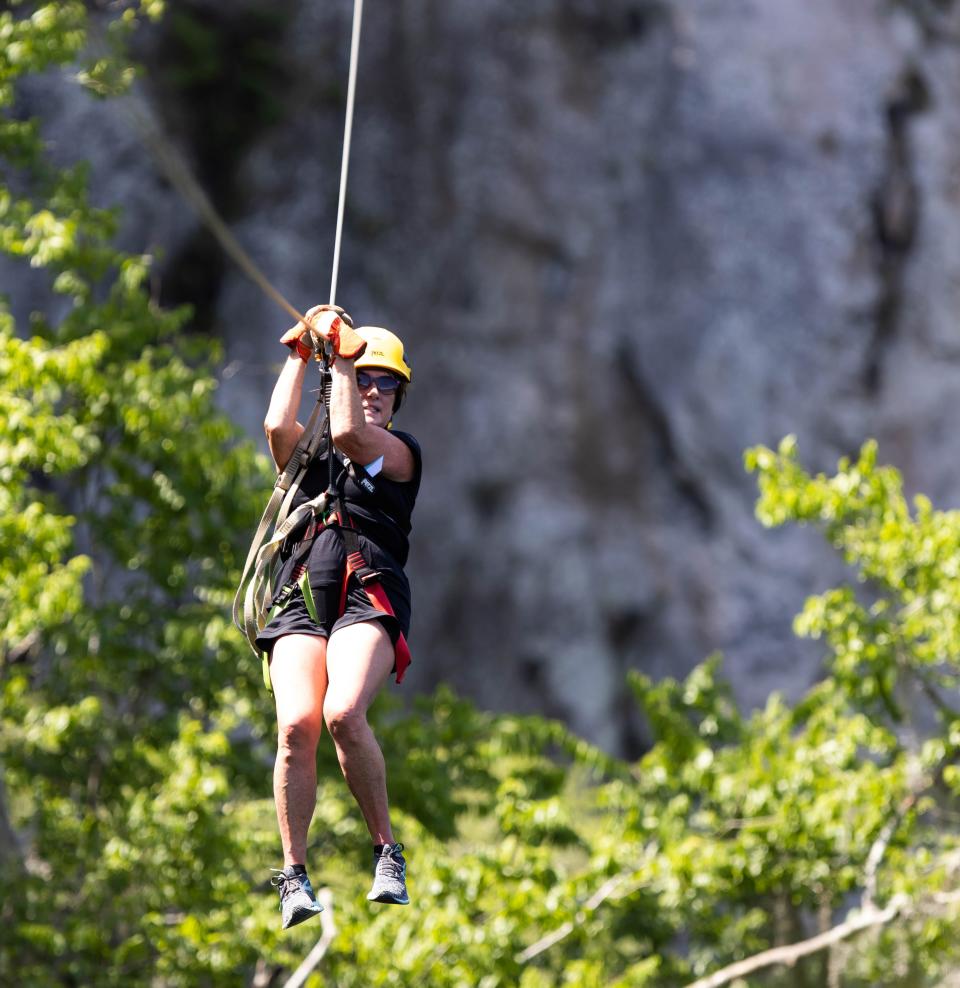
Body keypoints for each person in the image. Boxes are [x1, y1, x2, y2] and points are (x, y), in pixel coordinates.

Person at [256, 304, 420, 929]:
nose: (376, 390)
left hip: (366, 590)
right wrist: (301, 356)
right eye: (367, 379)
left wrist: (344, 359)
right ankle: (294, 873)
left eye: (387, 383)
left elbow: (352, 434)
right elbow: (277, 423)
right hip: (301, 590)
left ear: (399, 396)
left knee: (342, 712)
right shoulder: (308, 466)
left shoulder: (399, 455)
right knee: (297, 725)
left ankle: (385, 852)